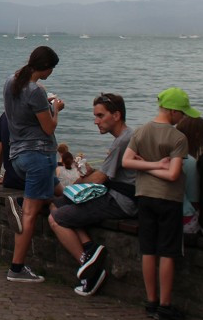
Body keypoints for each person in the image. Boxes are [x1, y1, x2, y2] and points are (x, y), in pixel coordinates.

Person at [48, 92, 138, 297]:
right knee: (56, 203)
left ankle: (89, 266)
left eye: (100, 116)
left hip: (120, 201)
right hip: (116, 195)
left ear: (116, 115)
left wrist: (78, 183)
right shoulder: (126, 137)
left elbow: (100, 179)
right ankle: (89, 246)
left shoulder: (123, 141)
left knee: (56, 218)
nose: (96, 121)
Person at [122, 87, 193, 320]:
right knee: (167, 252)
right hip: (169, 199)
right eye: (182, 113)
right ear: (172, 111)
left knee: (148, 250)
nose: (183, 118)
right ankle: (165, 305)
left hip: (144, 197)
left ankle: (150, 301)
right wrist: (159, 166)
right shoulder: (178, 138)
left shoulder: (142, 131)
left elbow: (127, 161)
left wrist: (150, 165)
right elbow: (173, 175)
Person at [2, 45, 62, 283]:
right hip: (39, 156)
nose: (51, 73)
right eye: (51, 69)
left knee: (57, 192)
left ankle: (22, 201)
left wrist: (43, 99)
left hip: (17, 157)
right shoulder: (35, 91)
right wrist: (55, 108)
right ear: (46, 67)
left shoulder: (11, 81)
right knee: (30, 214)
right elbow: (49, 128)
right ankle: (16, 269)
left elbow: (23, 106)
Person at [176, 116, 203, 234]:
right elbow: (194, 201)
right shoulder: (190, 162)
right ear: (197, 135)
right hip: (183, 219)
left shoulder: (167, 153)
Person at [0, 113, 24, 190]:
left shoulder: (5, 116)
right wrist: (54, 112)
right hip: (34, 182)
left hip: (11, 180)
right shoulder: (38, 114)